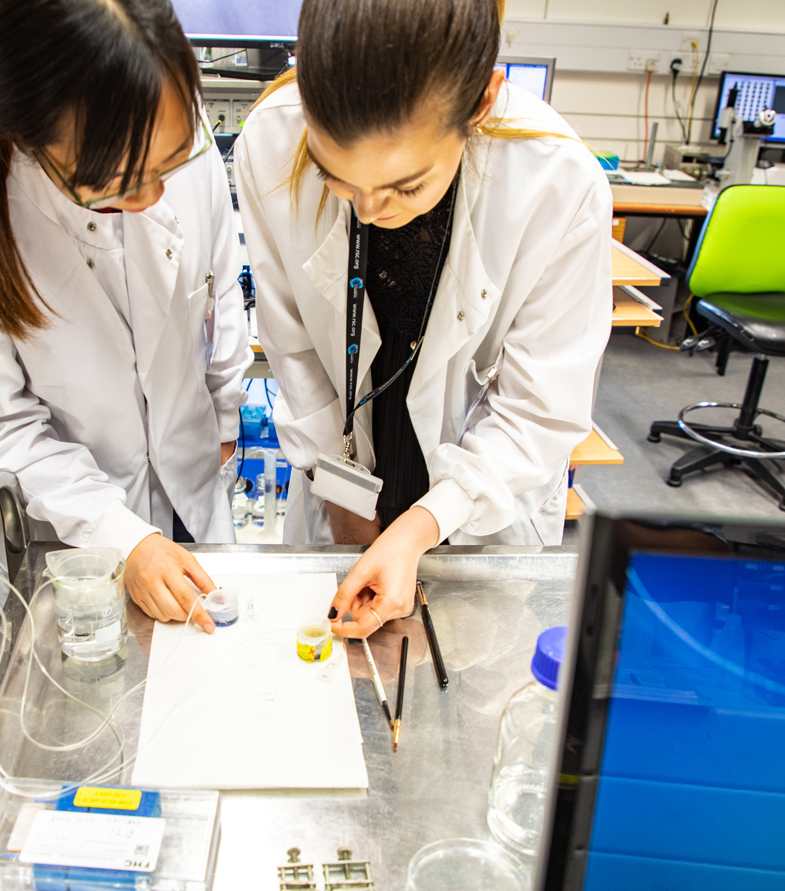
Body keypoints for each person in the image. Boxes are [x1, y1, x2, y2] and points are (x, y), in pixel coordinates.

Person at [0, 0, 252, 662]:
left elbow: (220, 281)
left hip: (195, 500)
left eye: (168, 164)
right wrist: (122, 535)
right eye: (118, 182)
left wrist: (225, 419)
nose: (151, 198)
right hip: (63, 551)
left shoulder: (163, 122)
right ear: (29, 142)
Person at [235, 0, 611, 638]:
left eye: (406, 186)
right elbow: (293, 351)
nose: (368, 208)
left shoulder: (558, 186)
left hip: (482, 506)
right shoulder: (271, 143)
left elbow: (536, 411)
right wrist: (343, 504)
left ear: (482, 101)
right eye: (335, 177)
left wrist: (422, 524)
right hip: (341, 494)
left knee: (466, 686)